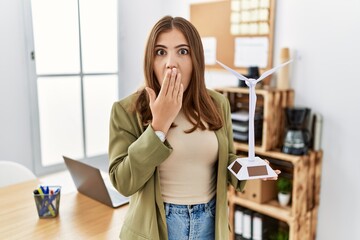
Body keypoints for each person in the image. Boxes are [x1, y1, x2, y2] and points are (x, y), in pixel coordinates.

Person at [108, 15, 279, 240]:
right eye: (160, 52)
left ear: (196, 58)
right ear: (150, 60)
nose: (171, 63)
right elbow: (123, 182)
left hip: (209, 223)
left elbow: (225, 158)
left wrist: (249, 167)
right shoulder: (126, 110)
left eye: (183, 51)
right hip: (157, 228)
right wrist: (159, 126)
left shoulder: (218, 103)